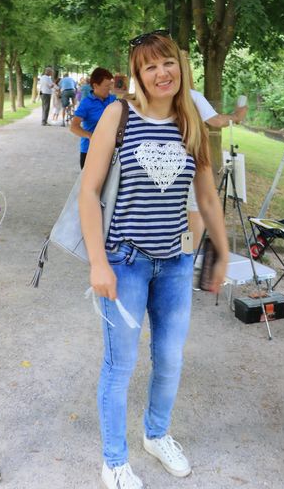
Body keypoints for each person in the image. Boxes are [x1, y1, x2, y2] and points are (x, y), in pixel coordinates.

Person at [79, 30, 229, 489]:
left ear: (180, 67)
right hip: (124, 261)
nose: (162, 73)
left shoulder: (190, 122)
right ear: (138, 75)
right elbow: (88, 191)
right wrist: (98, 263)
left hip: (176, 262)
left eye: (168, 63)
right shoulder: (118, 115)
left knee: (169, 359)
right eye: (150, 66)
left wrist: (222, 250)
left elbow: (207, 195)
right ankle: (114, 460)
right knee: (120, 365)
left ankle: (157, 434)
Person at [188, 88, 247, 250]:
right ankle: (188, 253)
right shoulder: (191, 95)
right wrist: (236, 116)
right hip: (187, 160)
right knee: (194, 209)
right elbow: (216, 121)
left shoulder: (152, 93)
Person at [70, 68, 116, 169]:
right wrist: (91, 136)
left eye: (110, 85)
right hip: (90, 151)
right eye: (106, 86)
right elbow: (74, 127)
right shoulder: (86, 103)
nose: (109, 89)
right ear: (95, 86)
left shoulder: (113, 99)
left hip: (110, 151)